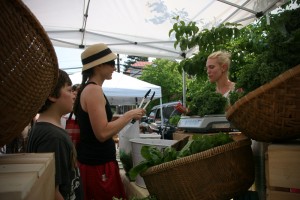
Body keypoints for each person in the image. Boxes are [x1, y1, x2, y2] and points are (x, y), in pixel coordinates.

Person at [73, 43, 146, 200]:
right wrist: (128, 115)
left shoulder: (88, 89)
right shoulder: (93, 90)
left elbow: (98, 123)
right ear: (98, 66)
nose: (114, 67)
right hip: (98, 168)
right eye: (111, 63)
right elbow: (102, 133)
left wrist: (128, 116)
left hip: (95, 165)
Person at [27, 69, 84, 200]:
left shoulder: (45, 129)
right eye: (69, 90)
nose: (73, 95)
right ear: (52, 95)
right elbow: (52, 191)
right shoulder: (52, 137)